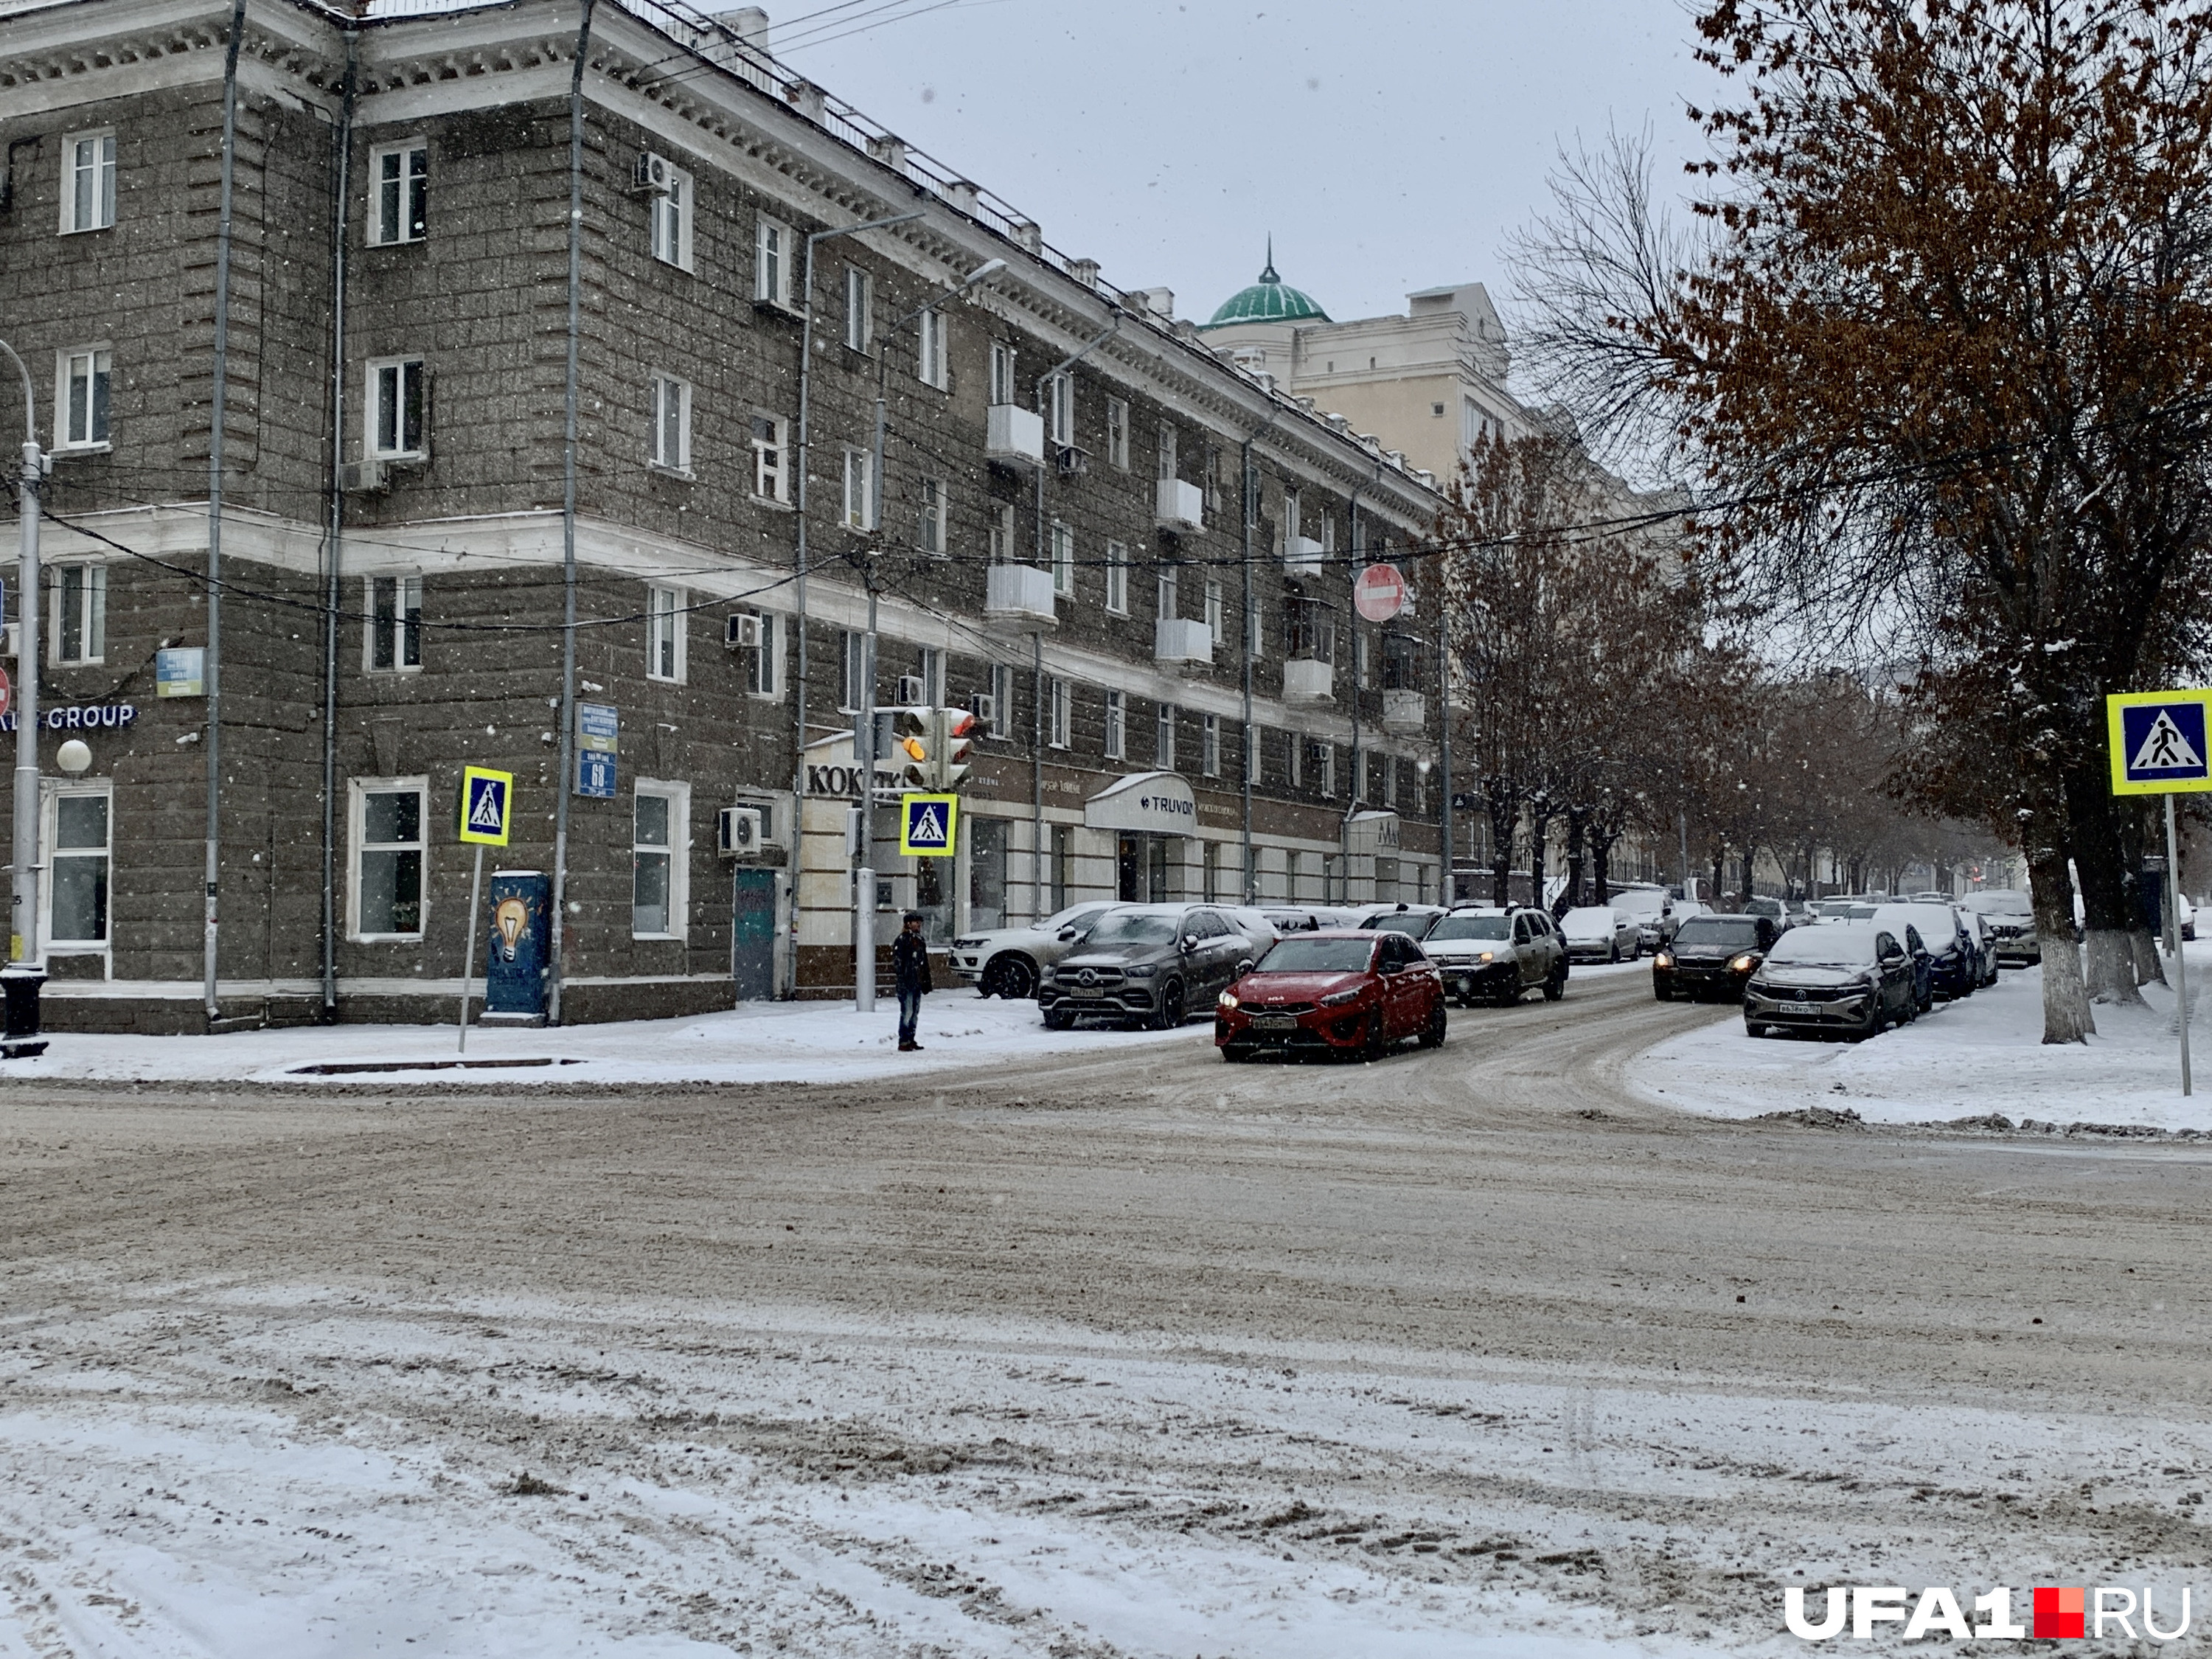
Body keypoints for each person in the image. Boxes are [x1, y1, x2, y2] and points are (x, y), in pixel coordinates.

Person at [892, 908, 932, 1051]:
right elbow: (898, 963)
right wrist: (903, 979)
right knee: (907, 1011)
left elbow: (924, 963)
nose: (919, 925)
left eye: (919, 922)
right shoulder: (902, 940)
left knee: (914, 1012)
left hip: (917, 982)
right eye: (916, 922)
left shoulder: (920, 940)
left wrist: (926, 981)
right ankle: (904, 1040)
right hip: (907, 982)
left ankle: (911, 1038)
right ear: (908, 924)